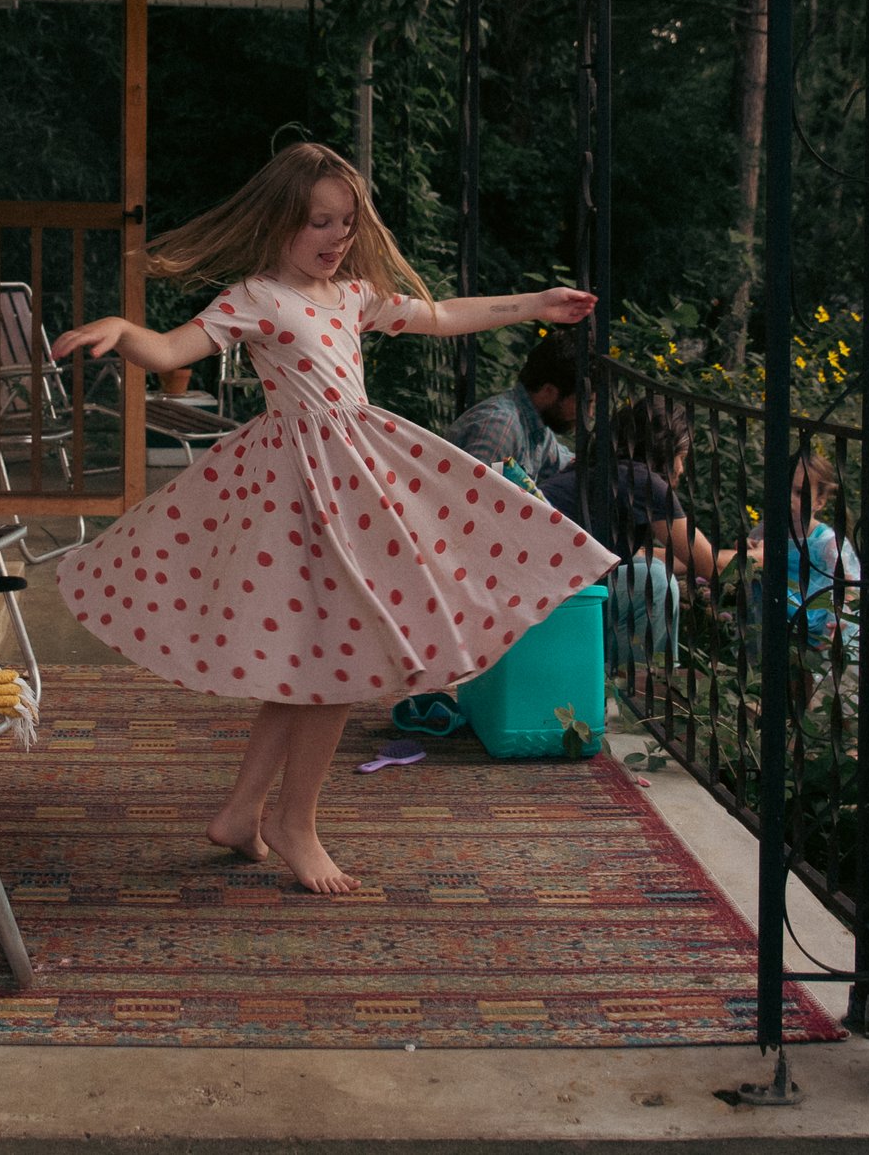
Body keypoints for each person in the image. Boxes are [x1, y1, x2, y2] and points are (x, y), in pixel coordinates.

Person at [50, 142, 604, 894]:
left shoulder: (351, 296)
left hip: (352, 484)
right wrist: (122, 329)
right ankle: (294, 824)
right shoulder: (256, 298)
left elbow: (440, 315)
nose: (335, 238)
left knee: (317, 655)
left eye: (345, 223)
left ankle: (245, 812)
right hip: (299, 494)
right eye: (319, 222)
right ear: (282, 221)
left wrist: (535, 306)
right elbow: (176, 345)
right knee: (342, 657)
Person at [544, 396, 723, 669]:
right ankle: (638, 688)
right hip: (554, 602)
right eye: (682, 457)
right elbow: (710, 564)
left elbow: (644, 555)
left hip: (541, 587)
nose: (682, 469)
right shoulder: (641, 482)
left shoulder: (603, 471)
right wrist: (764, 555)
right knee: (656, 583)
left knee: (644, 566)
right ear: (666, 450)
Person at [752, 449, 862, 663]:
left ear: (819, 502)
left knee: (806, 675)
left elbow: (847, 581)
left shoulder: (826, 541)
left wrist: (841, 618)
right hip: (773, 619)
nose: (789, 499)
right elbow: (750, 559)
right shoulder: (766, 531)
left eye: (800, 493)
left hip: (814, 625)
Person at [445, 331, 578, 487]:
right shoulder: (501, 427)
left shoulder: (536, 427)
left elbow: (567, 463)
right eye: (582, 402)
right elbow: (470, 495)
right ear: (548, 391)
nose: (588, 413)